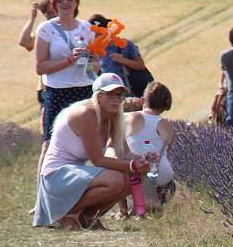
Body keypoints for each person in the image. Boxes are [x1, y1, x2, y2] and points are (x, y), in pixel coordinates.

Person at [33, 73, 149, 230]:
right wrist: (130, 165)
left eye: (120, 95)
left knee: (132, 177)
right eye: (111, 94)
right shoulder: (85, 114)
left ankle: (88, 217)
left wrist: (141, 160)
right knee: (117, 180)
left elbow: (121, 152)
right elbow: (98, 160)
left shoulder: (112, 117)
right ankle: (66, 214)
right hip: (55, 176)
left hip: (73, 175)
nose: (116, 99)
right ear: (98, 96)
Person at [35, 0, 100, 189]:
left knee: (90, 144)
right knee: (49, 144)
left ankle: (84, 193)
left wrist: (90, 60)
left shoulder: (87, 29)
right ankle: (42, 197)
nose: (65, 2)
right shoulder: (46, 29)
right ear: (54, 3)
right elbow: (40, 67)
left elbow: (97, 66)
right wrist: (69, 61)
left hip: (84, 91)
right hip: (57, 91)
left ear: (76, 2)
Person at [113, 82, 176, 219]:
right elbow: (165, 153)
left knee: (118, 163)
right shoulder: (169, 127)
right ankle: (151, 203)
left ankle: (128, 208)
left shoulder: (127, 118)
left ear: (142, 100)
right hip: (163, 176)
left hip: (136, 173)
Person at [86, 13, 147, 95]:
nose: (93, 38)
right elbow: (88, 72)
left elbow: (141, 65)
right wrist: (91, 63)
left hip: (127, 95)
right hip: (103, 96)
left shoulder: (125, 44)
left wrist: (123, 60)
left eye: (96, 34)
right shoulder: (91, 49)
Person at [18, 0, 56, 118]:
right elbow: (24, 42)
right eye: (48, 13)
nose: (52, 15)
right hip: (46, 86)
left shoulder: (74, 28)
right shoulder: (43, 32)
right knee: (47, 126)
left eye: (54, 11)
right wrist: (32, 17)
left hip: (69, 84)